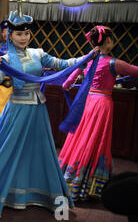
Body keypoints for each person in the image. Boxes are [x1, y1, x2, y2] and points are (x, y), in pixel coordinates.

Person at [0, 9, 96, 218]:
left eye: (27, 34)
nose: (24, 38)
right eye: (19, 34)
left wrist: (88, 56)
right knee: (7, 150)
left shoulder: (38, 53)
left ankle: (36, 194)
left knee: (38, 152)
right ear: (10, 35)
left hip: (37, 109)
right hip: (17, 109)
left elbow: (62, 64)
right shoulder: (7, 58)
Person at [59, 26, 138, 201]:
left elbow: (66, 85)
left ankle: (70, 179)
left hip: (86, 104)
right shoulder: (113, 63)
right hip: (102, 105)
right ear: (109, 40)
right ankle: (90, 184)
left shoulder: (88, 61)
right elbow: (135, 71)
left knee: (80, 138)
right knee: (95, 140)